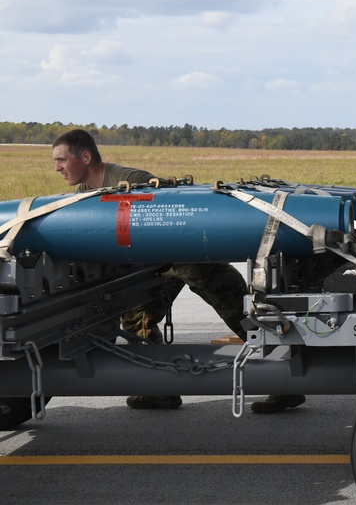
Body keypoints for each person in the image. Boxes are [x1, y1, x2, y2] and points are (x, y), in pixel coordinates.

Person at [49, 130, 274, 411]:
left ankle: (286, 378)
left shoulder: (131, 180)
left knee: (240, 315)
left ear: (85, 157)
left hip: (189, 259)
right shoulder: (83, 192)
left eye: (61, 160)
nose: (57, 167)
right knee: (137, 321)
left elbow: (169, 214)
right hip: (152, 267)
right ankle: (161, 389)